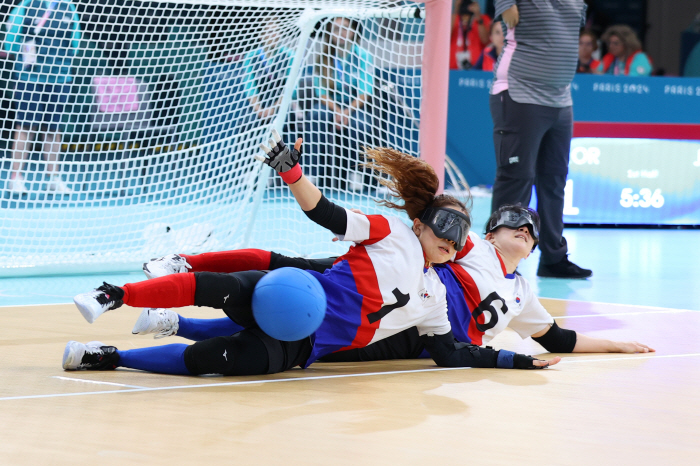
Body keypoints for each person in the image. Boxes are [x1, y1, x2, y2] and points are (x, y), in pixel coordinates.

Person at [63, 131, 559, 375]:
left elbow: (452, 354)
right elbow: (327, 213)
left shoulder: (433, 297)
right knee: (219, 288)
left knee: (211, 359)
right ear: (419, 223)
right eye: (441, 233)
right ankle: (116, 293)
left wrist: (515, 362)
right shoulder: (390, 232)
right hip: (298, 291)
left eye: (455, 243)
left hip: (303, 346)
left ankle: (110, 357)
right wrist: (293, 173)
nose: (447, 246)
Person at [134, 205, 654, 360]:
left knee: (301, 339)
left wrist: (616, 345)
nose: (517, 232)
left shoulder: (524, 295)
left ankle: (176, 324)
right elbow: (442, 225)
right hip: (390, 285)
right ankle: (184, 264)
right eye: (508, 225)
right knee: (280, 269)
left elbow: (558, 339)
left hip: (418, 330)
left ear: (534, 246)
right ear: (492, 232)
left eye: (527, 231)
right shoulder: (475, 250)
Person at [489, 0, 592, 279]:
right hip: (520, 92)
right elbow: (509, 19)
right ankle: (500, 261)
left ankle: (553, 257)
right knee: (517, 178)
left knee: (555, 180)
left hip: (561, 99)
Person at [4, 0, 81, 194]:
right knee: (25, 126)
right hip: (29, 76)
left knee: (53, 129)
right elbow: (10, 43)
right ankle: (16, 178)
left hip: (60, 77)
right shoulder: (26, 5)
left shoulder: (68, 7)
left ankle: (54, 178)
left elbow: (76, 43)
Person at [305, 17, 374, 190]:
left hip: (354, 105)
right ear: (330, 33)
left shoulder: (363, 55)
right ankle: (314, 173)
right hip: (330, 104)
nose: (341, 33)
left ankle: (356, 173)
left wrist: (346, 111)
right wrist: (337, 110)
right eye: (336, 29)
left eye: (344, 28)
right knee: (315, 116)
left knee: (360, 125)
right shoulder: (323, 57)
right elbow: (320, 92)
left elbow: (365, 91)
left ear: (352, 31)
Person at [450, 0, 492, 70]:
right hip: (452, 69)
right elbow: (445, 38)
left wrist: (478, 16)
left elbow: (485, 40)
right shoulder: (452, 18)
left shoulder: (483, 18)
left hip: (476, 68)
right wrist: (457, 10)